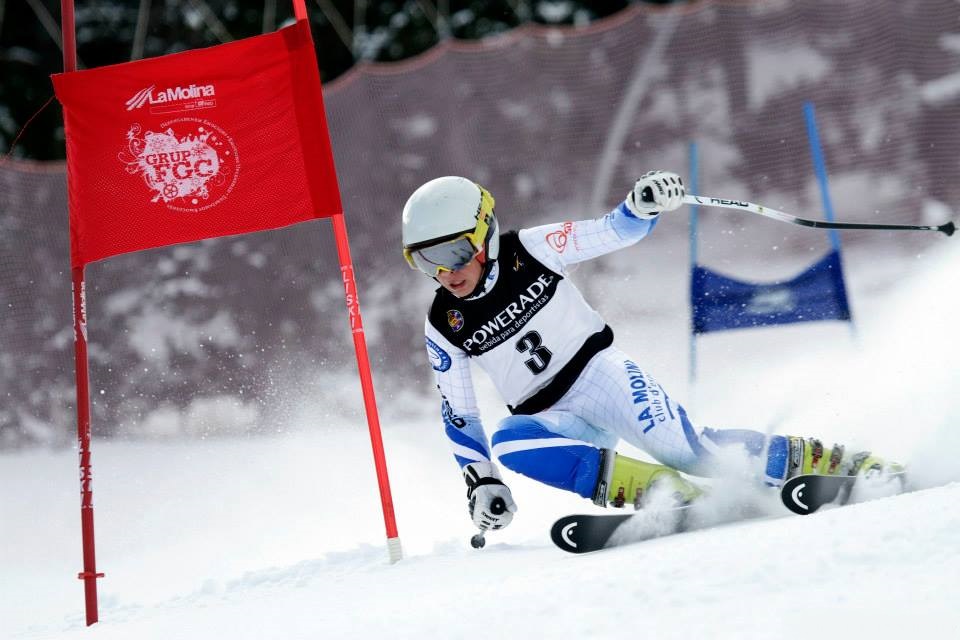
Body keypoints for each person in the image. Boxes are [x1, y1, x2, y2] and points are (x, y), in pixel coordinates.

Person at [401, 172, 900, 533]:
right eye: (426, 260)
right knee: (511, 443)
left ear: (484, 234)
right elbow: (460, 415)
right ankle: (662, 492)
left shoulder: (530, 249)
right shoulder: (445, 324)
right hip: (551, 418)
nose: (445, 271)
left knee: (694, 451)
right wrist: (481, 481)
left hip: (600, 376)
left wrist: (640, 207)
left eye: (454, 252)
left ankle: (840, 463)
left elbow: (611, 230)